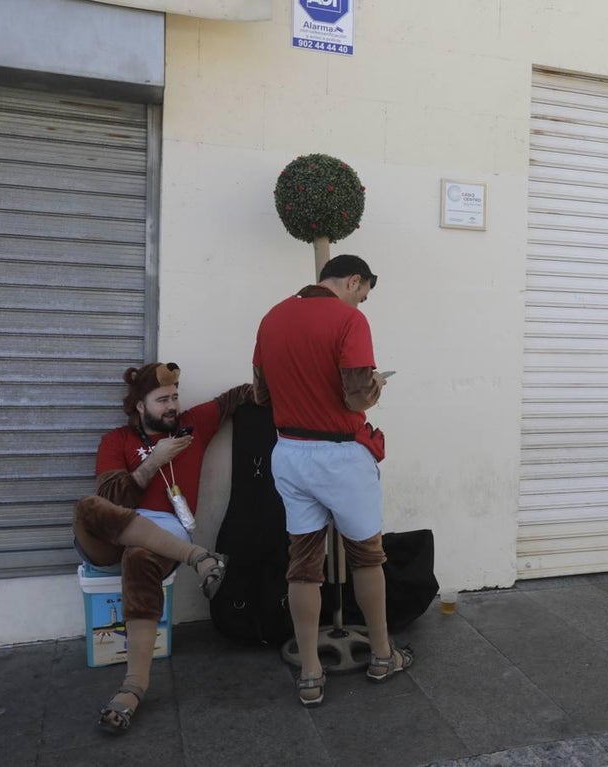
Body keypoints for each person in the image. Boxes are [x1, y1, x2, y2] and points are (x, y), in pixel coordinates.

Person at [252, 254, 414, 707]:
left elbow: (261, 393)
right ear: (353, 281)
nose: (361, 305)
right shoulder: (348, 321)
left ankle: (309, 672)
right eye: (362, 296)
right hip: (340, 456)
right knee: (366, 556)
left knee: (303, 562)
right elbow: (357, 394)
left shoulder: (272, 317)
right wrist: (377, 384)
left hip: (289, 452)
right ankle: (383, 655)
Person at [73, 361, 252, 733]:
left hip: (162, 542)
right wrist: (154, 461)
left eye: (175, 397)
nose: (171, 405)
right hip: (112, 537)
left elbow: (239, 396)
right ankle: (199, 558)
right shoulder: (115, 441)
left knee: (140, 559)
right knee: (87, 507)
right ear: (140, 406)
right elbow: (111, 496)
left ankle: (132, 688)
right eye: (162, 399)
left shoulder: (193, 426)